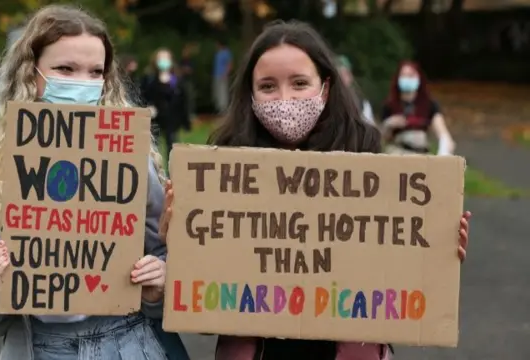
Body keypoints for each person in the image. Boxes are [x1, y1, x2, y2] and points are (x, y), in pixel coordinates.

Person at [158, 20, 471, 360]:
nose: (285, 98)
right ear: (250, 93)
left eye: (299, 83)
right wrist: (178, 240)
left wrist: (438, 245)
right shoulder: (224, 160)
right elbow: (204, 293)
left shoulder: (364, 153)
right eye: (267, 86)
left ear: (326, 85)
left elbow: (396, 264)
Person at [0, 5, 186, 360]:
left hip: (129, 345)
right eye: (65, 69)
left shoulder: (130, 158)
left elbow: (161, 275)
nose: (82, 83)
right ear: (30, 74)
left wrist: (159, 286)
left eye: (96, 72)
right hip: (39, 348)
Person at [380, 61, 455, 156]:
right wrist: (389, 124)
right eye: (403, 75)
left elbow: (443, 133)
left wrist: (445, 148)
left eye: (411, 75)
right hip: (397, 153)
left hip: (422, 153)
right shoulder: (389, 105)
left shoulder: (429, 104)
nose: (407, 79)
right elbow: (383, 140)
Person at [142, 48, 190, 167]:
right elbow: (143, 96)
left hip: (172, 120)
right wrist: (147, 107)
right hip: (155, 120)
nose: (163, 61)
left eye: (166, 58)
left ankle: (172, 174)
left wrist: (185, 121)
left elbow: (184, 101)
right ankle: (155, 174)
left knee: (172, 147)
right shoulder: (149, 79)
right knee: (154, 148)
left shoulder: (177, 80)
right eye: (160, 58)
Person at [336, 55, 375, 125]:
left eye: (345, 74)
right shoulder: (323, 103)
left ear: (350, 77)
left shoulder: (362, 104)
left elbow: (370, 129)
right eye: (338, 74)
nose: (341, 78)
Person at [212, 38, 232, 114]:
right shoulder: (217, 53)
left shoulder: (226, 52)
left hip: (222, 75)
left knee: (223, 92)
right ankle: (218, 108)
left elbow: (229, 64)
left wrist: (225, 73)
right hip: (216, 75)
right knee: (217, 92)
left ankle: (223, 109)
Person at [180, 43, 196, 121]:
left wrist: (185, 70)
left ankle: (191, 114)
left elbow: (191, 71)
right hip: (182, 81)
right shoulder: (181, 61)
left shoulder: (190, 61)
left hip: (188, 82)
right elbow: (179, 70)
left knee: (190, 98)